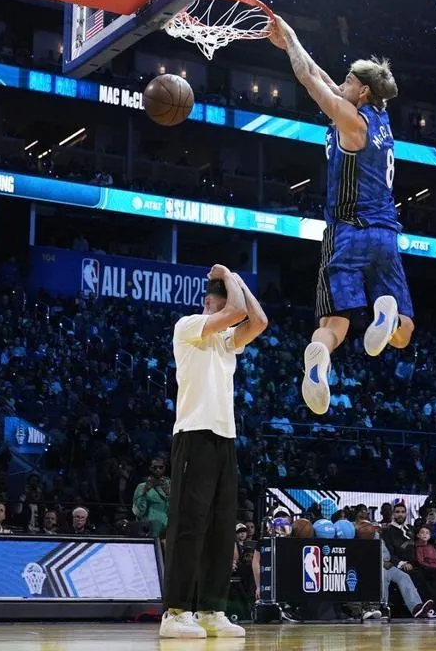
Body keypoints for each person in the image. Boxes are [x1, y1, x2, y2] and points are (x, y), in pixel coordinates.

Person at [268, 17, 415, 415]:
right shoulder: (380, 119)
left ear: (362, 91)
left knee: (334, 321)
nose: (342, 83)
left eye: (348, 81)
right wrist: (291, 44)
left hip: (347, 232)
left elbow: (308, 79)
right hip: (386, 234)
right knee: (404, 334)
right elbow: (321, 76)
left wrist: (292, 38)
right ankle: (385, 309)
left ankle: (320, 352)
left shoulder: (351, 122)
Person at [161, 265, 267, 639]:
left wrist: (235, 277)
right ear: (209, 304)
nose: (228, 320)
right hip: (194, 434)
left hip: (225, 437)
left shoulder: (226, 341)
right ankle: (175, 611)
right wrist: (227, 275)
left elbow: (258, 320)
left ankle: (210, 609)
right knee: (189, 525)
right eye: (221, 309)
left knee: (222, 529)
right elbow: (238, 313)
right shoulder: (188, 326)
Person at [133, 458, 172, 540]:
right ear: (150, 468)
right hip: (151, 529)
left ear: (165, 468)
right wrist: (144, 493)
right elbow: (138, 512)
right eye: (155, 468)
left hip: (169, 528)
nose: (158, 470)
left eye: (161, 467)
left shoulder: (170, 485)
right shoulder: (142, 487)